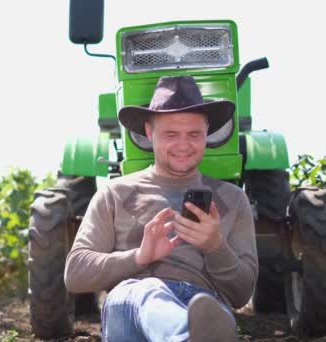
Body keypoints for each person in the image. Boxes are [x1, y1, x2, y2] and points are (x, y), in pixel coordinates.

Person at [64, 75, 258, 342]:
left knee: (211, 311)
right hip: (130, 305)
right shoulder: (114, 193)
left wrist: (216, 246)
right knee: (148, 292)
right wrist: (139, 257)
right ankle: (187, 336)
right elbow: (75, 274)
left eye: (194, 134)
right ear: (148, 132)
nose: (183, 145)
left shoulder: (234, 200)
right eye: (171, 134)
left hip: (203, 303)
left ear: (207, 133)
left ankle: (194, 330)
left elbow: (241, 294)